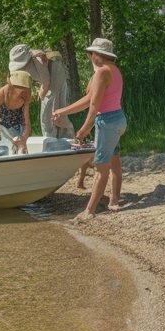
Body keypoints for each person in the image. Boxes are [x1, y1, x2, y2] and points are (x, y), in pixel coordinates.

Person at [52, 37, 125, 219]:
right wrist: (63, 111)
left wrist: (84, 129)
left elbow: (94, 106)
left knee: (101, 167)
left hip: (107, 122)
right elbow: (89, 100)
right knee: (114, 161)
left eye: (91, 53)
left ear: (98, 55)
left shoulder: (101, 73)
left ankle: (89, 211)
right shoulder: (113, 70)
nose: (90, 56)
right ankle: (114, 200)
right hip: (118, 119)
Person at [0, 70, 33, 154]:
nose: (23, 90)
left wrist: (25, 137)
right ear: (12, 85)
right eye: (20, 87)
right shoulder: (0, 95)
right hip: (4, 126)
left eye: (25, 87)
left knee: (24, 148)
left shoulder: (27, 93)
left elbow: (27, 119)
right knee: (12, 146)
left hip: (20, 124)